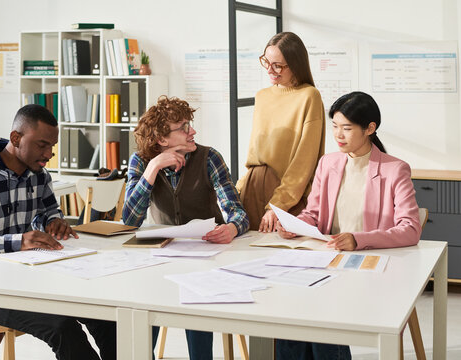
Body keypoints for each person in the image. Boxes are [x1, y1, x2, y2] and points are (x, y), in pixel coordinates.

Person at [0, 104, 116, 360]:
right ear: (16, 138)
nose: (49, 154)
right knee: (61, 327)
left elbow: (47, 211)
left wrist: (53, 221)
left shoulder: (38, 174)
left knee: (106, 316)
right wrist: (15, 242)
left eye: (52, 146)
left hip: (23, 280)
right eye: (42, 145)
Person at [275, 91, 421, 359]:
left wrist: (358, 239)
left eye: (346, 128)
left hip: (369, 266)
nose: (338, 135)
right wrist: (296, 225)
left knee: (320, 312)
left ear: (370, 128)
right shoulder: (328, 163)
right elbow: (314, 214)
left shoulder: (394, 169)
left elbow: (410, 229)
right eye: (334, 127)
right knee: (287, 311)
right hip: (327, 260)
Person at [122, 95, 249, 359]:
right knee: (144, 304)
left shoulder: (209, 157)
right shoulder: (141, 161)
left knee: (196, 297)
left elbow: (238, 212)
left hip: (205, 257)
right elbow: (130, 220)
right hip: (160, 259)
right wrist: (154, 167)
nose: (192, 131)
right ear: (161, 139)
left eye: (189, 124)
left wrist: (232, 228)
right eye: (183, 128)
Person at [236, 31, 325, 232]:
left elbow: (304, 163)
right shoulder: (262, 96)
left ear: (296, 64)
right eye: (266, 62)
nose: (270, 70)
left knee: (287, 259)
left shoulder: (309, 96)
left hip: (285, 198)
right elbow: (253, 156)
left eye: (278, 65)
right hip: (251, 190)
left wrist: (278, 205)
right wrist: (236, 192)